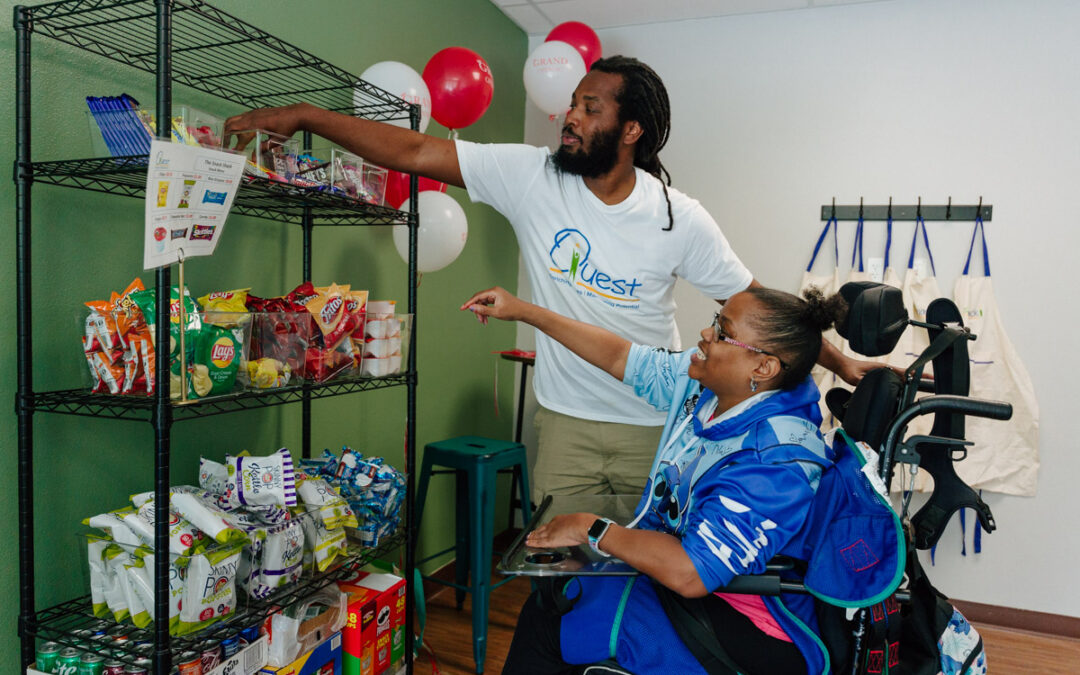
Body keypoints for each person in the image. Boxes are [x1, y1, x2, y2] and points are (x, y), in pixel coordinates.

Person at [224, 55, 873, 502]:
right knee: (563, 589)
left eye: (590, 108)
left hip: (658, 424)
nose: (571, 116)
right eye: (571, 103)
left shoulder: (679, 217)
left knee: (651, 588)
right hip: (563, 425)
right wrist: (307, 115)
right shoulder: (531, 176)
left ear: (631, 129)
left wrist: (842, 364)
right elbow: (418, 151)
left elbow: (753, 303)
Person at [460, 284, 849, 675]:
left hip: (748, 615)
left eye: (722, 331)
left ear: (762, 368)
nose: (706, 334)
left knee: (550, 623)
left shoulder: (776, 459)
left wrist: (590, 528)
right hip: (694, 587)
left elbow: (692, 572)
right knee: (554, 601)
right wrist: (523, 311)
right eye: (716, 322)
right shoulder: (708, 389)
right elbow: (618, 355)